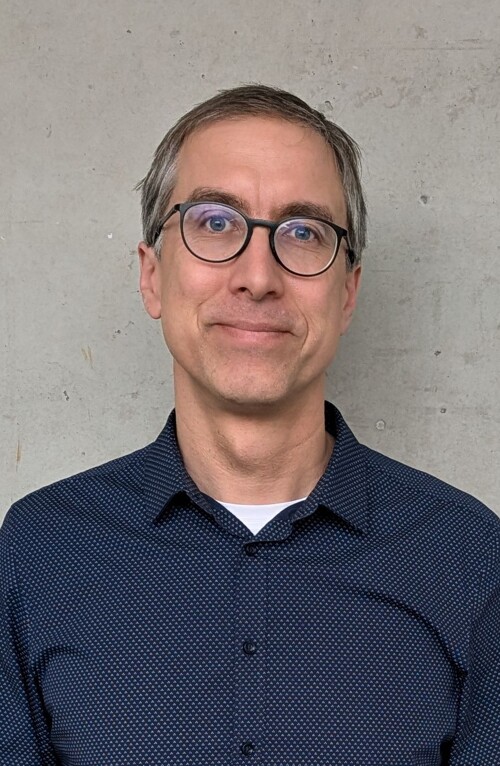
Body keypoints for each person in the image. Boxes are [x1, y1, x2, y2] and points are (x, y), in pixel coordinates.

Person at [1, 84, 498, 765]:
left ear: (347, 293)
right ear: (152, 276)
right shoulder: (39, 552)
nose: (258, 276)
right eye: (214, 222)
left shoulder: (468, 559)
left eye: (304, 232)